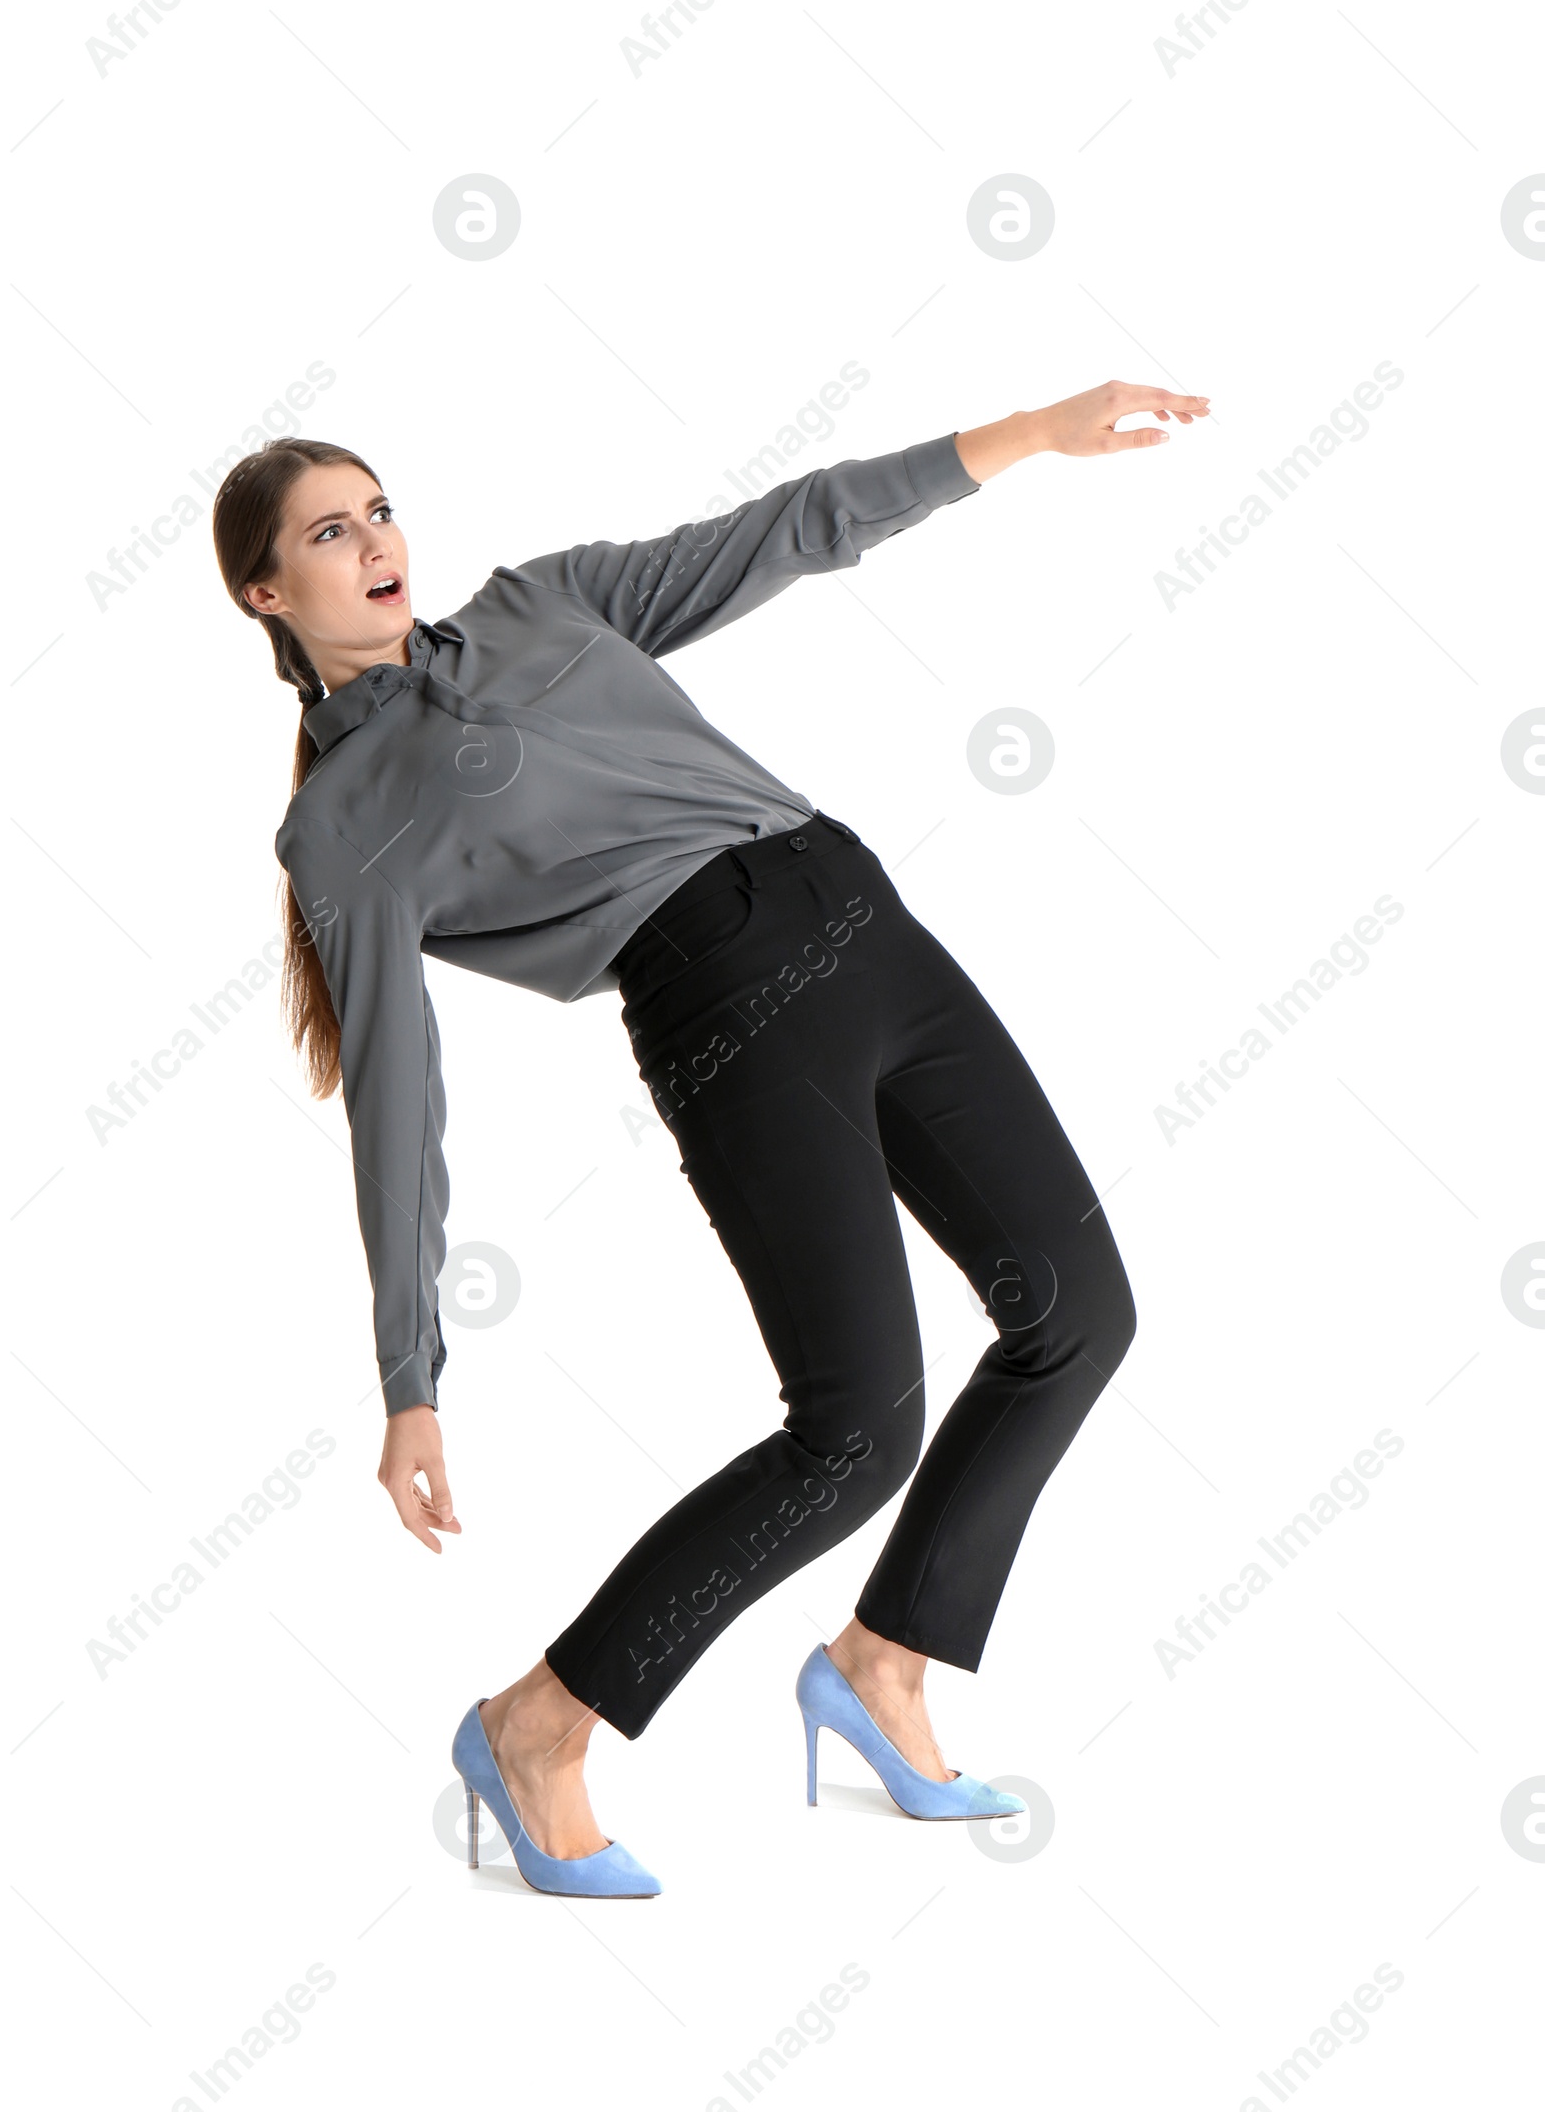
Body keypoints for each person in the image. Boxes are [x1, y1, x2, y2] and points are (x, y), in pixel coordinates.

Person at [213, 378, 1209, 1896]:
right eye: (328, 532)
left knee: (1080, 1313)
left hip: (865, 921)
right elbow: (399, 1096)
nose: (375, 542)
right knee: (855, 1431)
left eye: (380, 507)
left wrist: (1026, 436)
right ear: (267, 593)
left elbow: (789, 529)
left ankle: (885, 1659)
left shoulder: (549, 603)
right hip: (727, 1006)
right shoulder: (343, 820)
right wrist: (409, 1375)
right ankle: (539, 1723)